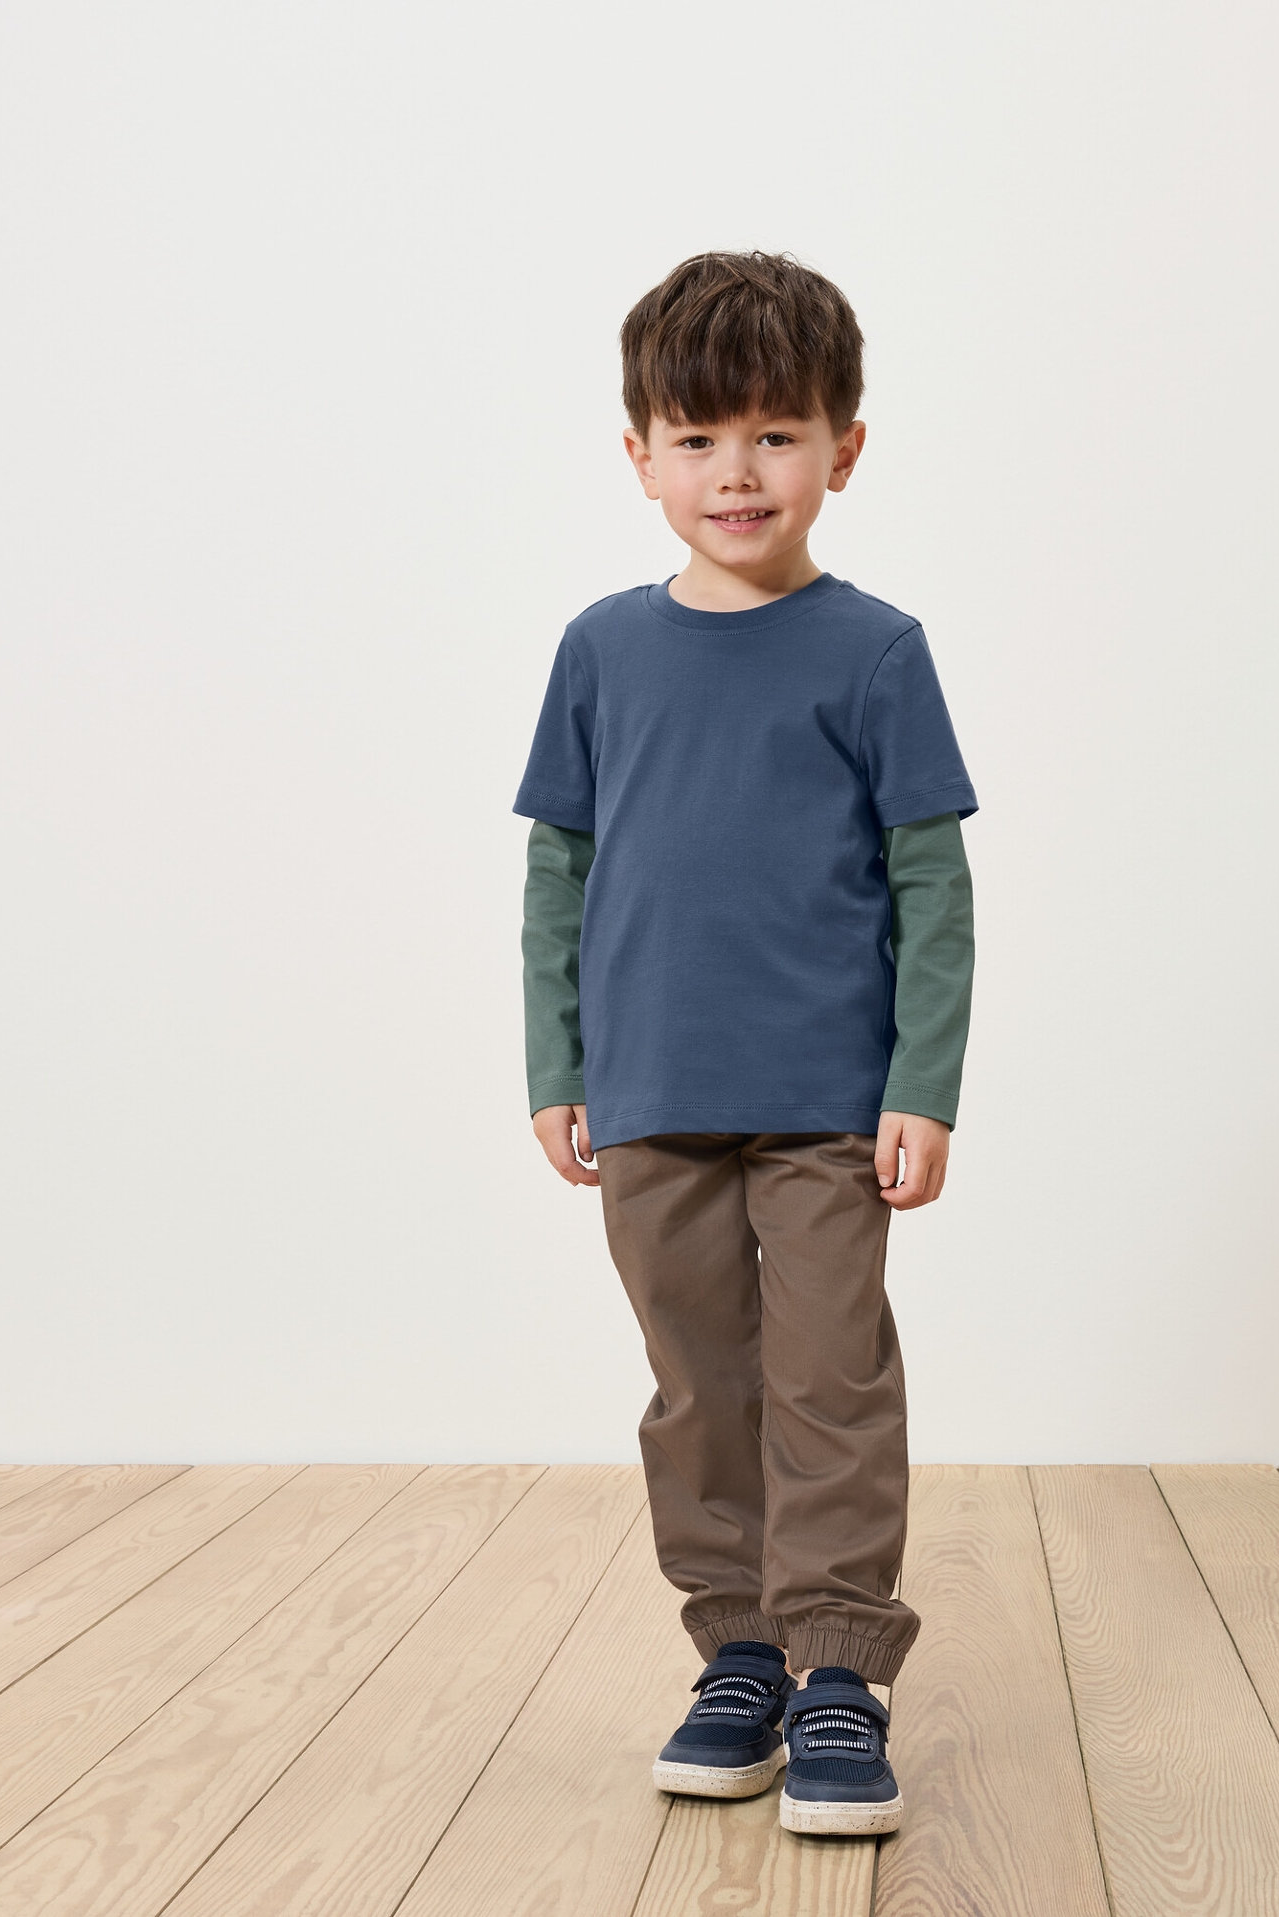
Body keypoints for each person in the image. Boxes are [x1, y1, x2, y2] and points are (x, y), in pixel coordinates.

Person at [513, 250, 976, 1839]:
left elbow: (932, 882)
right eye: (697, 436)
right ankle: (745, 1647)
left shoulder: (875, 651)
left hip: (828, 1104)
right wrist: (556, 1061)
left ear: (843, 447)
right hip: (649, 1094)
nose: (736, 472)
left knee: (829, 1376)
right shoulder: (598, 650)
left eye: (775, 433)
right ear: (637, 451)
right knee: (697, 1384)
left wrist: (922, 1081)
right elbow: (558, 869)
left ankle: (843, 1665)